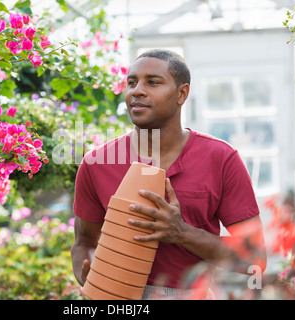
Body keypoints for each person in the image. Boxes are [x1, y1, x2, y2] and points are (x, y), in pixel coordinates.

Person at [70, 48, 267, 299]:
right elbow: (84, 242)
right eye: (132, 82)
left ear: (182, 93)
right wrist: (87, 271)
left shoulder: (221, 158)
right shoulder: (96, 163)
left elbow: (254, 258)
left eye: (153, 82)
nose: (137, 91)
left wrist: (181, 232)